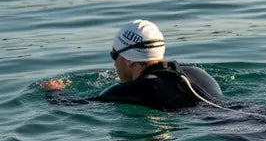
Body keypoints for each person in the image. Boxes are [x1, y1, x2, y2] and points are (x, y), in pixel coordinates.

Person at [40, 20, 224, 111]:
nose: (114, 64)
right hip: (242, 113)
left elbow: (68, 107)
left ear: (130, 59)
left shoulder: (129, 90)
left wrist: (54, 91)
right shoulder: (197, 73)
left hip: (223, 129)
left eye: (114, 55)